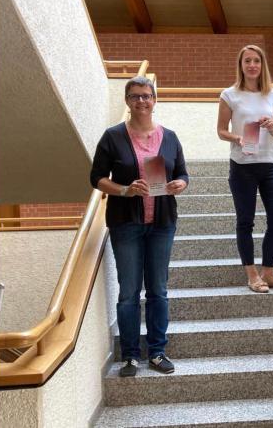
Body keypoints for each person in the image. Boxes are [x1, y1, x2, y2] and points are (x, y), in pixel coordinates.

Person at [90, 76, 189, 377]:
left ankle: (157, 352)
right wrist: (125, 190)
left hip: (162, 224)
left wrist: (180, 184)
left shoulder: (170, 137)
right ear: (127, 101)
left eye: (146, 96)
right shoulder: (113, 136)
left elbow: (183, 173)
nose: (141, 101)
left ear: (154, 100)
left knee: (158, 290)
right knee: (129, 292)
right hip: (126, 225)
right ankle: (131, 356)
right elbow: (97, 178)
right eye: (135, 96)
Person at [216, 44, 273, 293]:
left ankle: (268, 272)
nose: (252, 65)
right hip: (242, 165)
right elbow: (221, 131)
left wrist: (271, 126)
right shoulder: (229, 95)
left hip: (271, 164)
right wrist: (237, 138)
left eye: (256, 61)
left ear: (262, 65)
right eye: (247, 61)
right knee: (245, 221)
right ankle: (252, 274)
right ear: (241, 65)